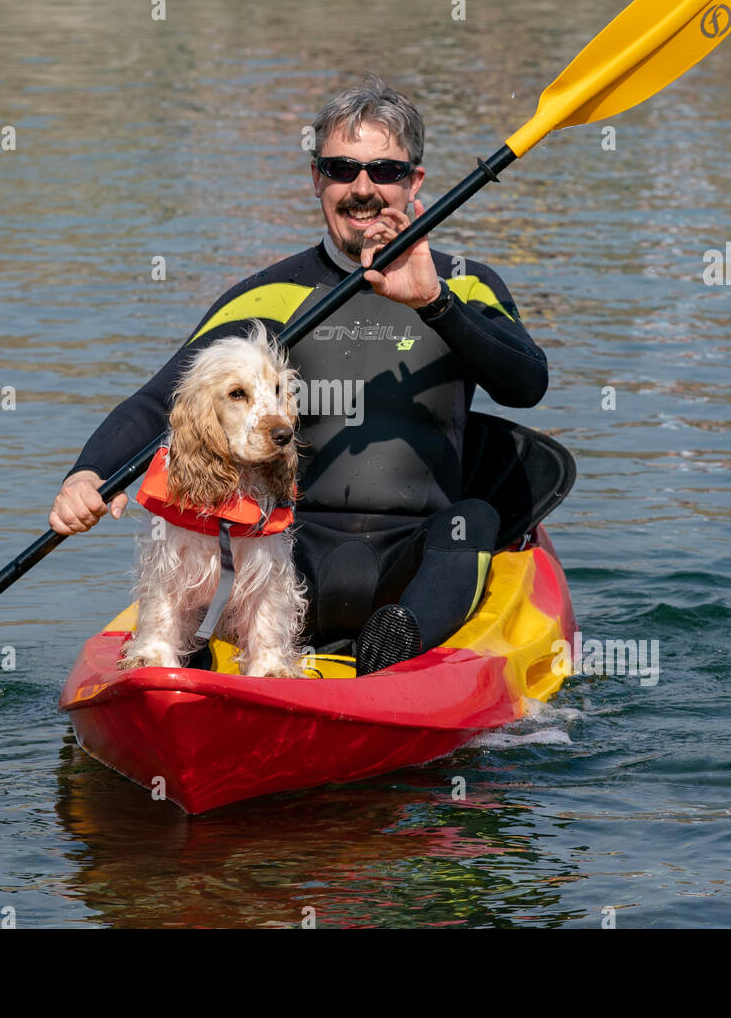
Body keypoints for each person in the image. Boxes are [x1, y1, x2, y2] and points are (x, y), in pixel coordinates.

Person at [50, 74, 548, 673]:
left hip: (419, 567)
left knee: (477, 519)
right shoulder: (269, 295)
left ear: (415, 182)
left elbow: (526, 386)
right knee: (222, 528)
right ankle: (209, 651)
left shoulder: (465, 284)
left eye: (385, 171)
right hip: (288, 555)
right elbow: (161, 400)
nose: (363, 189)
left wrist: (433, 304)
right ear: (317, 178)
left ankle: (396, 648)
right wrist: (86, 475)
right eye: (342, 168)